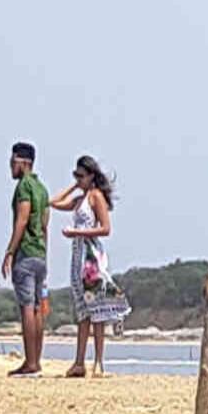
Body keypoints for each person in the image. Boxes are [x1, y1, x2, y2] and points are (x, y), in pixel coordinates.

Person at [53, 155, 127, 376]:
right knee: (83, 312)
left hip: (90, 257)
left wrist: (78, 232)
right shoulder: (79, 199)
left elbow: (105, 228)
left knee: (97, 312)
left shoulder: (95, 197)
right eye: (76, 175)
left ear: (91, 176)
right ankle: (79, 361)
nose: (79, 180)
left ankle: (99, 362)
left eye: (81, 176)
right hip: (77, 257)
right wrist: (74, 186)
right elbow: (54, 202)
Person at [3, 141, 52, 373]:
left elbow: (22, 219)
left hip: (26, 253)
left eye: (13, 162)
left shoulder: (24, 186)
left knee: (27, 307)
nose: (10, 167)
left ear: (24, 163)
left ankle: (31, 362)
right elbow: (44, 225)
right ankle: (36, 360)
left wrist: (10, 251)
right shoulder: (42, 189)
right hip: (41, 253)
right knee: (38, 308)